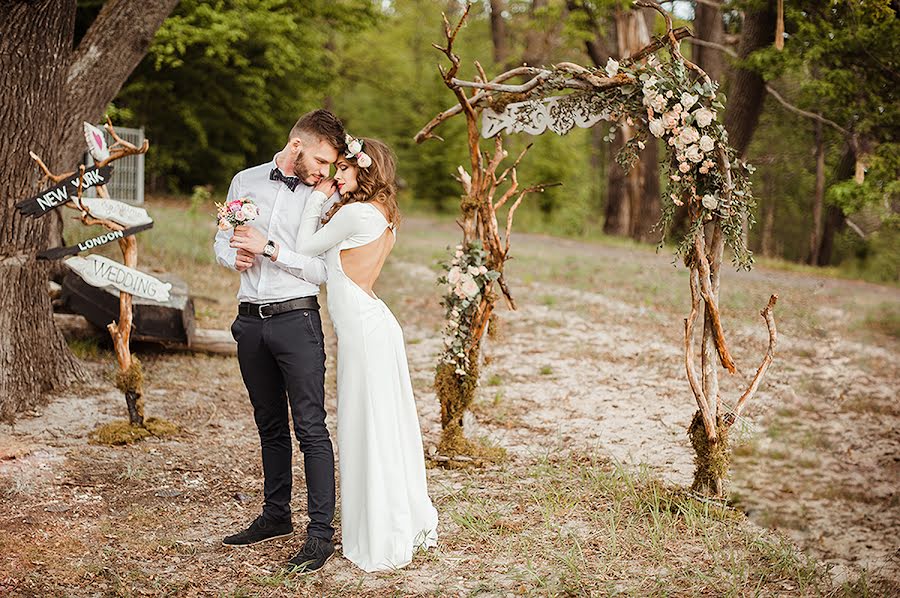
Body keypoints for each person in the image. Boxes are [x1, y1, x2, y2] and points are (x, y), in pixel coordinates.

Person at [231, 135, 438, 572]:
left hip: (363, 329)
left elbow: (307, 246)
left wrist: (313, 202)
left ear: (364, 171)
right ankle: (381, 518)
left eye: (342, 169)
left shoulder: (360, 213)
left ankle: (371, 528)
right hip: (370, 325)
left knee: (365, 427)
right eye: (333, 168)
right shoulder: (372, 213)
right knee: (378, 427)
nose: (333, 176)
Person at [214, 109, 344, 574]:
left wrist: (269, 249)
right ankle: (275, 517)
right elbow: (220, 238)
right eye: (323, 161)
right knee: (269, 425)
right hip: (249, 320)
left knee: (310, 428)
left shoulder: (322, 201)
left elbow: (322, 271)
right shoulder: (244, 180)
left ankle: (320, 535)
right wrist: (232, 255)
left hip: (297, 320)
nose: (326, 172)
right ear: (297, 146)